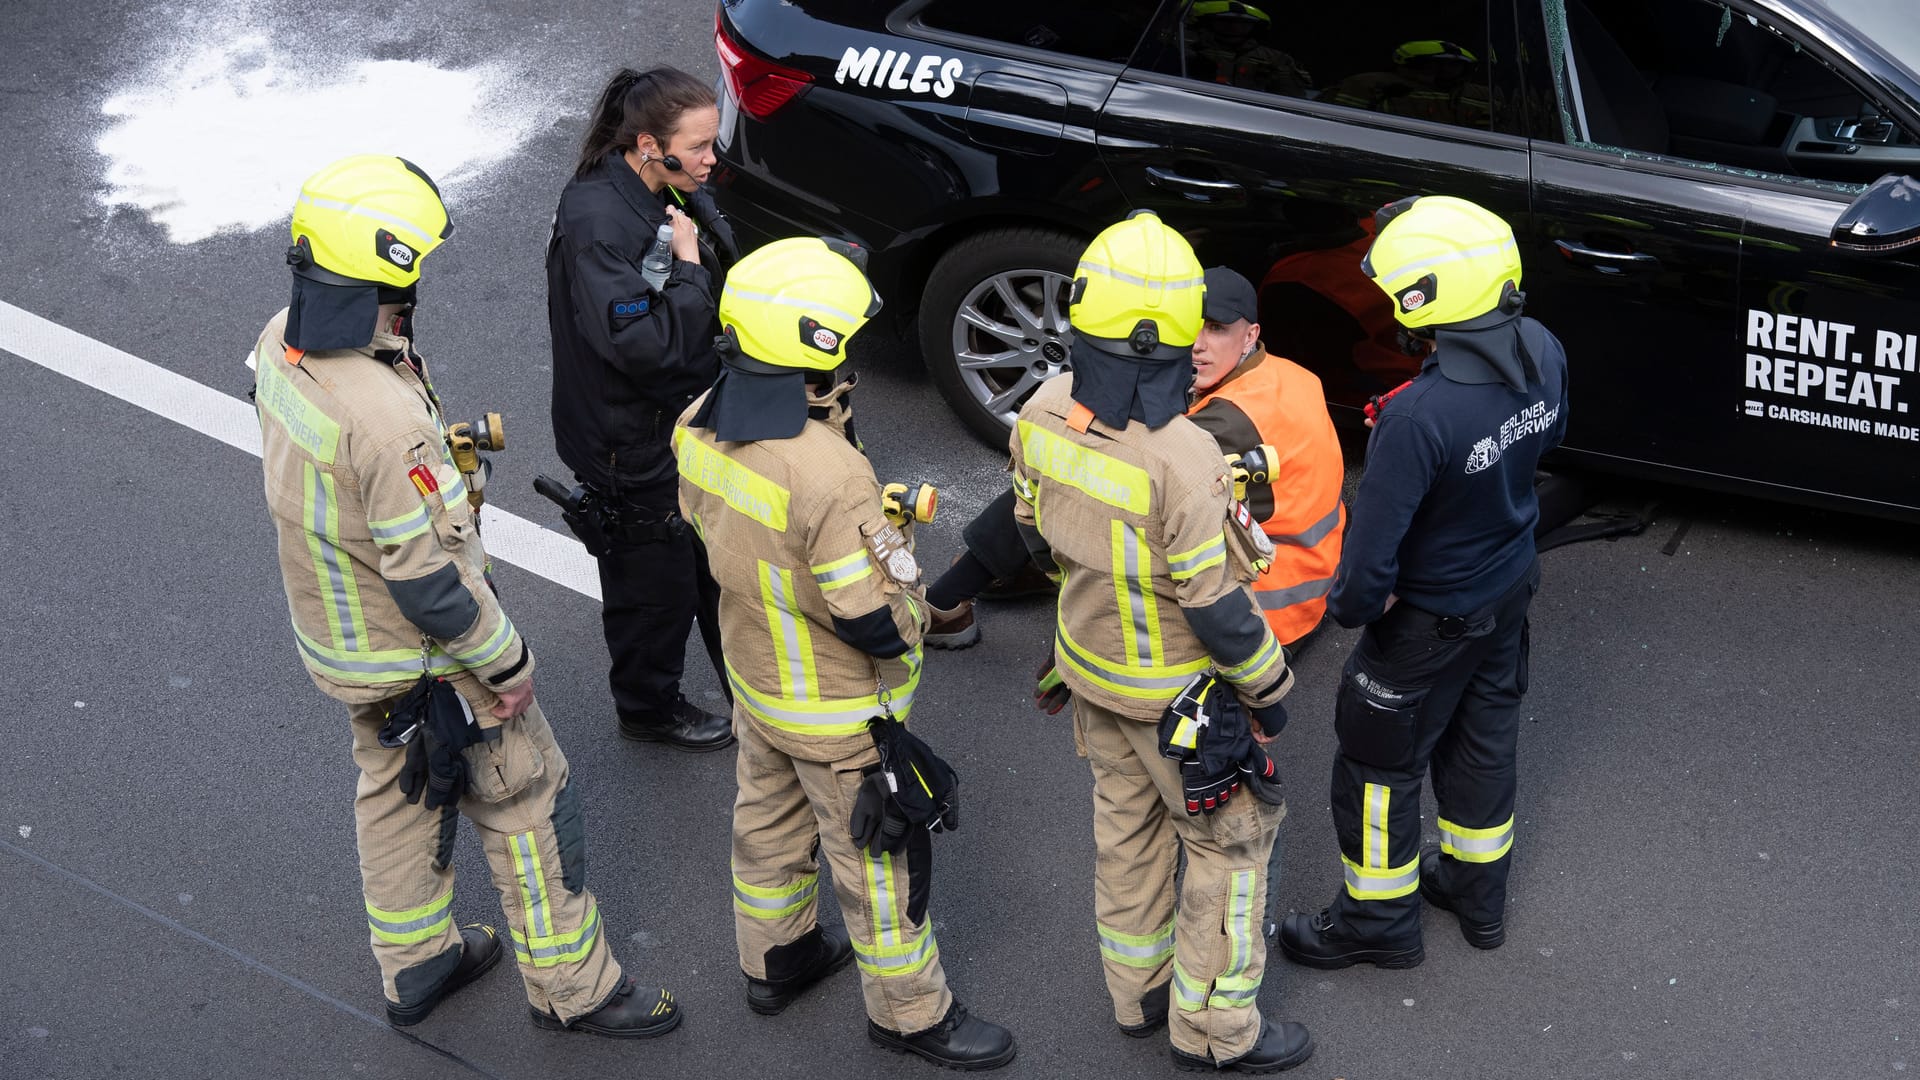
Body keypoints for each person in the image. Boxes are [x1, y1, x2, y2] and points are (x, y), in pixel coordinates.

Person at [255, 155, 680, 1038]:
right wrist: (508, 665)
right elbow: (428, 579)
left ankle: (416, 966)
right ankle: (575, 989)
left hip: (347, 649)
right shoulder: (386, 418)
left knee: (399, 789)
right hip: (432, 660)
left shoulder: (278, 346)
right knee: (527, 798)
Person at [673, 236, 1017, 1071]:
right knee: (878, 867)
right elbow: (869, 621)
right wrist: (904, 581)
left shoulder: (696, 423)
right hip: (839, 712)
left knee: (766, 827)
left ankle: (777, 959)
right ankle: (910, 1015)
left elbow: (703, 528)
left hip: (757, 681)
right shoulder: (830, 473)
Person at [1011, 211, 1312, 1074]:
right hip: (1182, 698)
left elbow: (1034, 534)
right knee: (1233, 849)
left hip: (1091, 675)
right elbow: (1215, 606)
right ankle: (1216, 1032)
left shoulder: (1039, 409)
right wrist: (1272, 693)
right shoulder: (1184, 454)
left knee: (1126, 831)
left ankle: (1136, 995)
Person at [1277, 195, 1568, 970]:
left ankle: (1377, 923)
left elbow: (1367, 570)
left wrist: (1351, 611)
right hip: (1508, 589)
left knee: (1376, 768)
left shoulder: (1417, 417)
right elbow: (1545, 442)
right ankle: (1478, 896)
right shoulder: (1541, 346)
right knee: (1483, 742)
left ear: (1427, 300)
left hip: (1426, 625)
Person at [925, 267, 1345, 668]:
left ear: (1250, 334)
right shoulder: (1291, 375)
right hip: (1307, 574)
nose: (1196, 343)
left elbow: (1117, 468)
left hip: (1260, 617)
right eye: (1189, 324)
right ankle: (992, 577)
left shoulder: (1226, 422)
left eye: (1215, 329)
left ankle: (952, 597)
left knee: (1076, 474)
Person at [546, 66, 738, 752]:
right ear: (649, 144)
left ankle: (744, 688)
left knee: (709, 569)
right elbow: (645, 346)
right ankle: (648, 707)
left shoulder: (651, 189)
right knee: (653, 590)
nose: (713, 158)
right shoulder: (599, 220)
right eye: (700, 146)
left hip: (670, 426)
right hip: (630, 443)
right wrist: (689, 270)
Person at [1326, 40, 1493, 128]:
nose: (1447, 71)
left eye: (1455, 66)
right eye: (1435, 65)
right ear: (1409, 65)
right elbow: (1338, 126)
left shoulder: (1481, 96)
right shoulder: (1370, 84)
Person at [1185, 0, 1313, 98]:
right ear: (1209, 22)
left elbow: (1291, 98)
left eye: (1244, 23)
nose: (1235, 27)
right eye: (1226, 21)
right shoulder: (1190, 50)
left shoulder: (1276, 59)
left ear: (1255, 27)